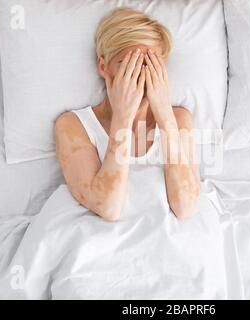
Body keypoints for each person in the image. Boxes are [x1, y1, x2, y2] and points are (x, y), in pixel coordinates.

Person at [55, 8, 200, 222]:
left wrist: (164, 116)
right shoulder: (72, 125)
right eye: (129, 67)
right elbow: (108, 207)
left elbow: (185, 207)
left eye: (150, 67)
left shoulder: (178, 120)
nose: (141, 78)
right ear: (104, 67)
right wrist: (123, 117)